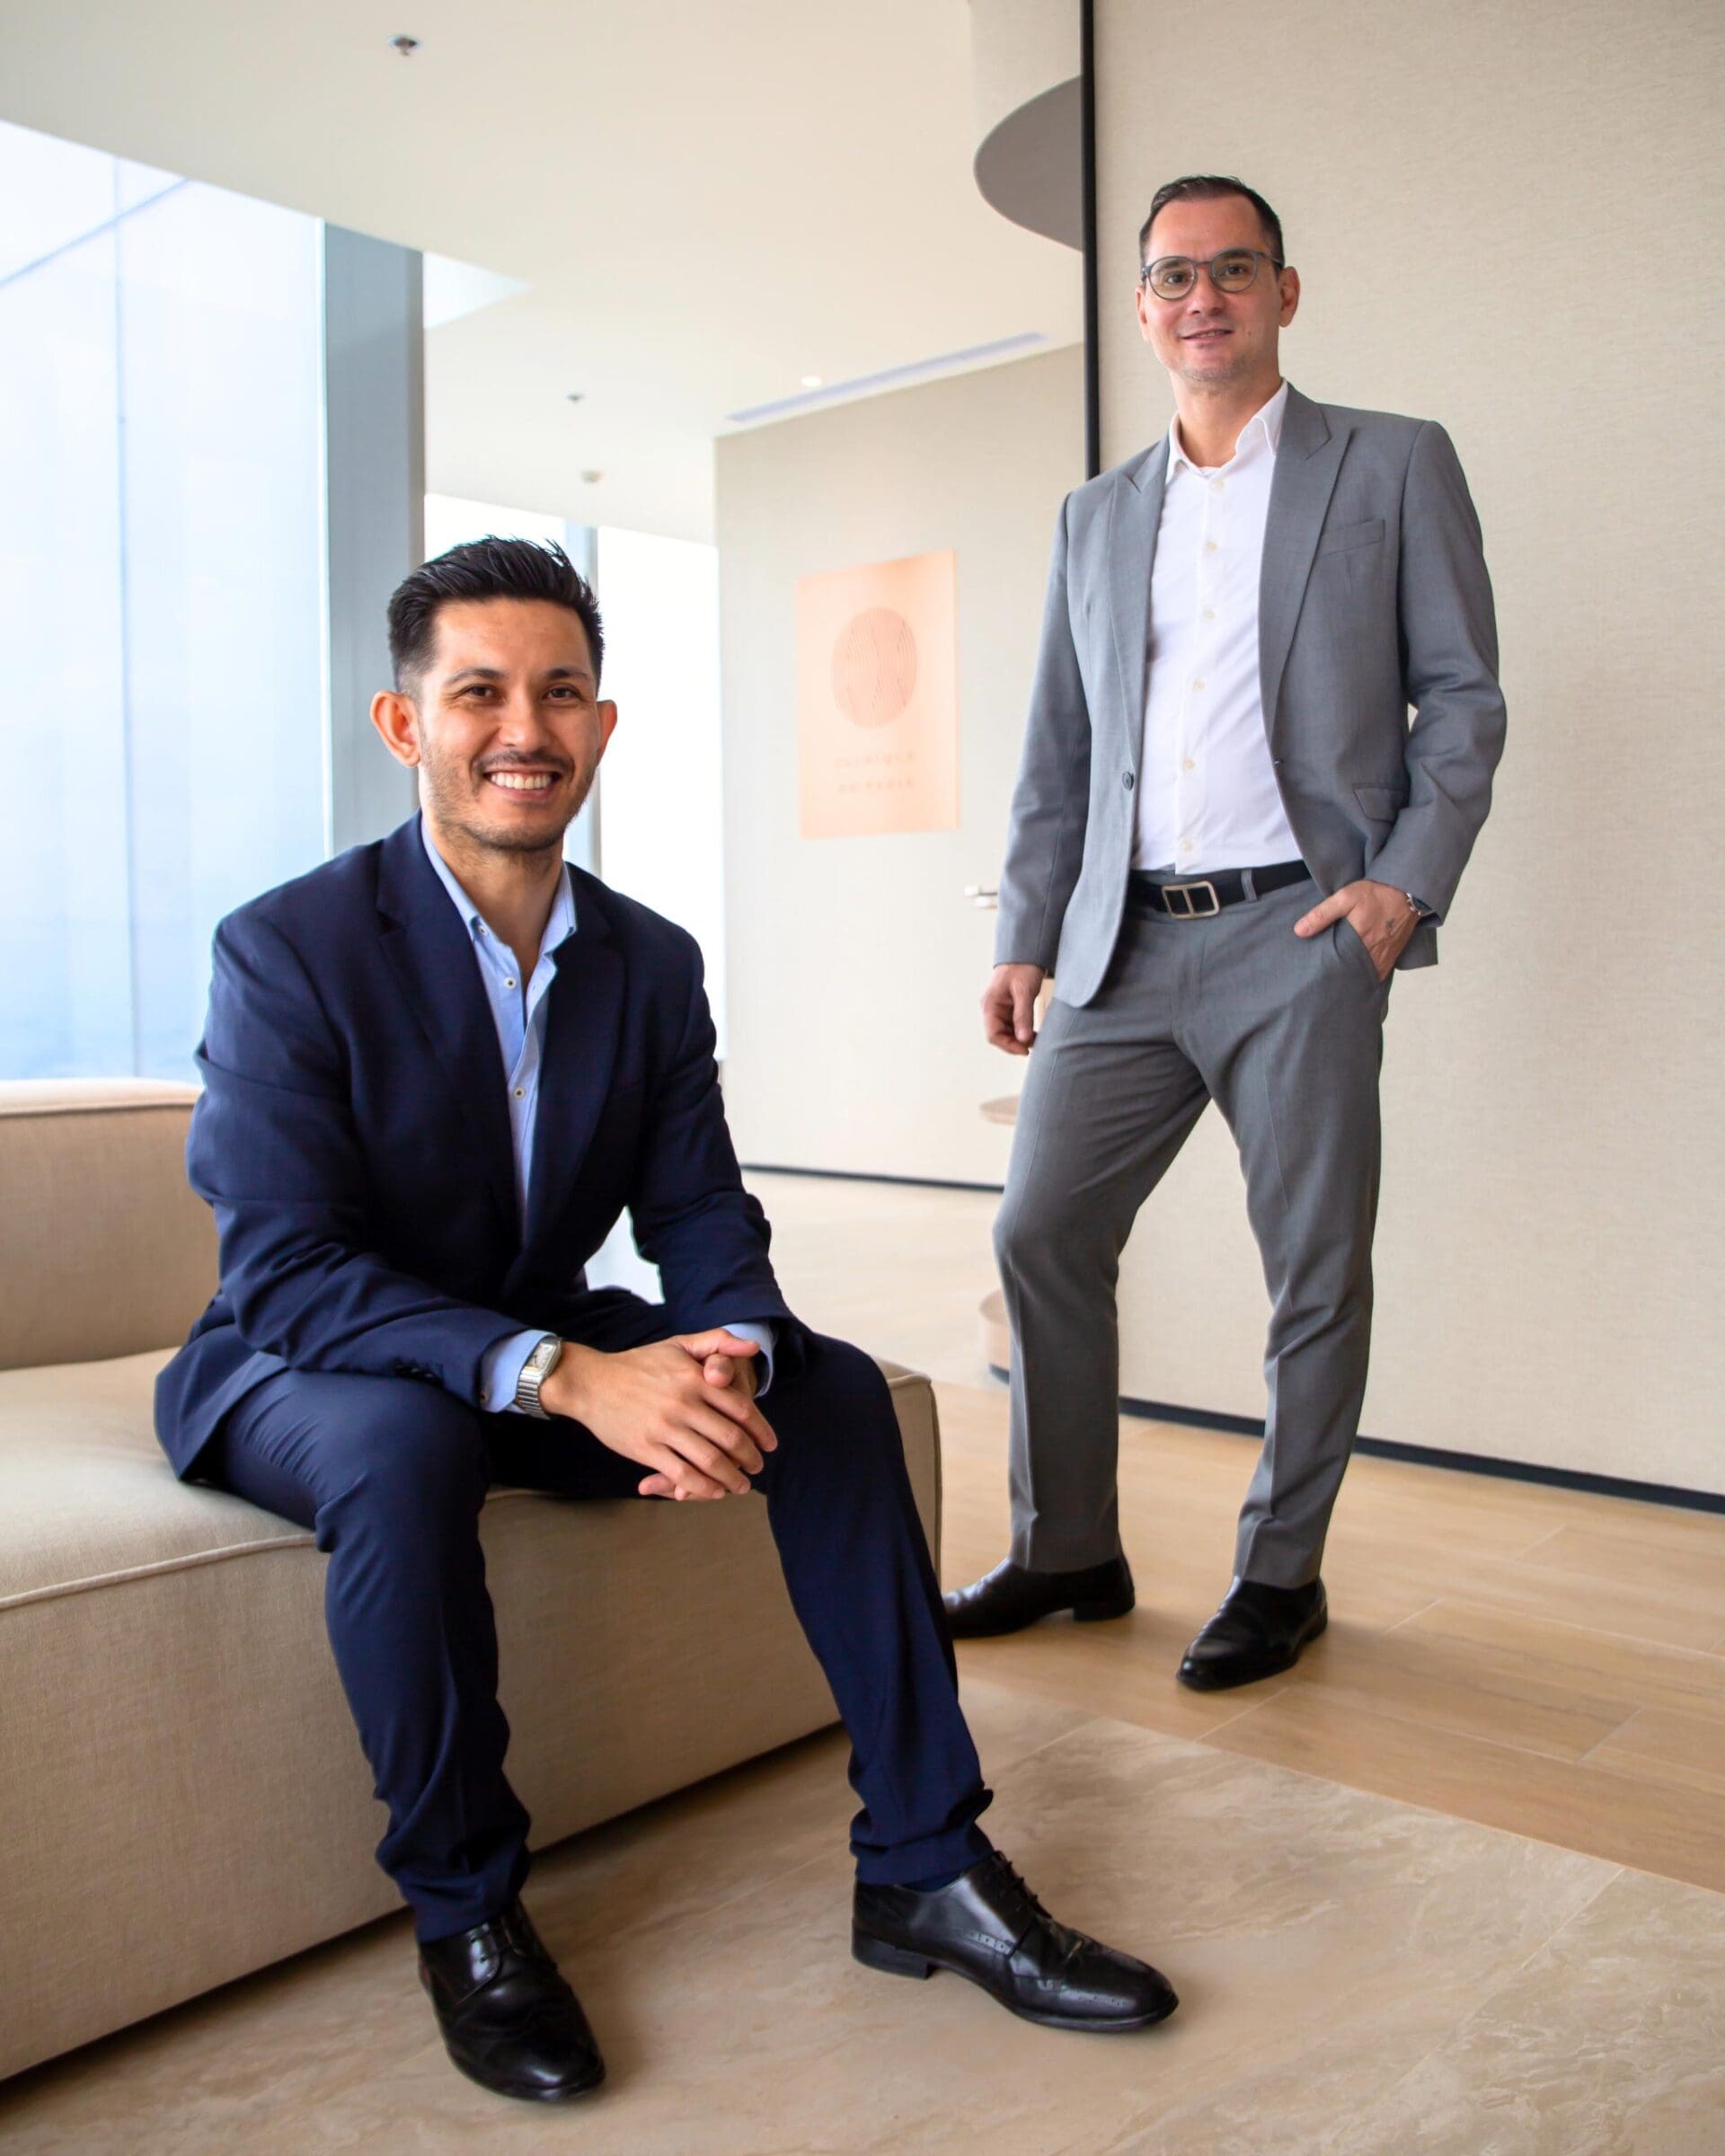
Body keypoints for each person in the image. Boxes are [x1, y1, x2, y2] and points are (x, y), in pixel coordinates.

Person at [154, 537, 1178, 2105]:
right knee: (407, 1447)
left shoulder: (648, 960)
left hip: (525, 1333)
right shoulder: (288, 945)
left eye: (560, 693)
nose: (525, 729)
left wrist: (730, 1357)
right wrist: (562, 1372)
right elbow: (288, 1266)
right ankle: (468, 1913)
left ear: (604, 725)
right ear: (405, 724)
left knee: (829, 1391)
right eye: (480, 694)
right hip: (312, 1359)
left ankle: (926, 1864)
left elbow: (697, 1213)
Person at [946, 174, 1506, 1691]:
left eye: (1235, 269)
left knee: (1313, 1266)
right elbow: (1061, 745)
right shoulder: (1095, 515)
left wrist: (1401, 888)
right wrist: (1025, 931)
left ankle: (1279, 1574)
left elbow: (1463, 698)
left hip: (1298, 933)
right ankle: (1069, 1546)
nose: (1205, 297)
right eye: (1176, 275)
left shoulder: (1391, 462)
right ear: (1142, 307)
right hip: (1119, 947)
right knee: (1041, 1230)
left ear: (1285, 292)